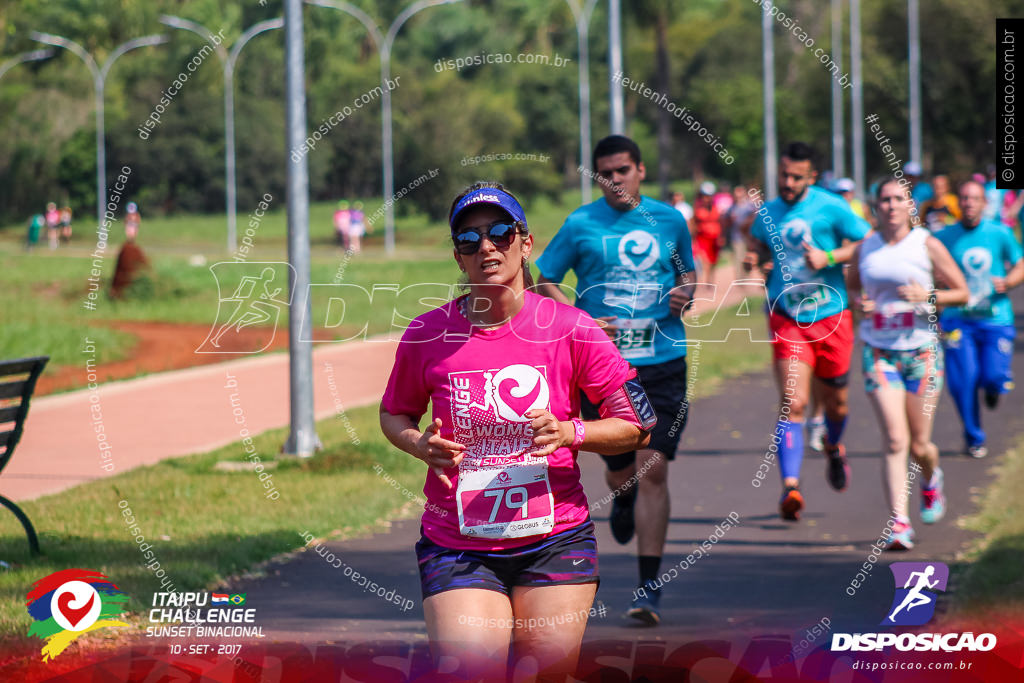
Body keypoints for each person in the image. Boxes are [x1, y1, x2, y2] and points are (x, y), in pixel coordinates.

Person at [380, 182, 655, 679]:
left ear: (525, 244)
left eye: (500, 232)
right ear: (458, 257)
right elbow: (394, 414)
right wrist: (416, 444)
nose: (486, 246)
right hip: (457, 543)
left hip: (556, 539)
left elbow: (638, 426)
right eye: (469, 239)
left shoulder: (573, 328)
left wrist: (572, 432)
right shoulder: (427, 335)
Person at [534, 135, 696, 625]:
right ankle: (620, 496)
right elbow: (544, 277)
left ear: (640, 170)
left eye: (622, 169)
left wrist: (684, 294)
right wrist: (573, 318)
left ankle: (649, 588)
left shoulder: (669, 219)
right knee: (621, 470)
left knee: (655, 467)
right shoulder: (580, 223)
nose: (614, 179)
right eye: (604, 172)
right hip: (601, 368)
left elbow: (688, 274)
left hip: (662, 359)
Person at [745, 141, 871, 521]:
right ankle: (791, 488)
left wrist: (830, 257)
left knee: (837, 404)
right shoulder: (767, 211)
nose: (787, 182)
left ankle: (834, 447)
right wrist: (755, 259)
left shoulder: (831, 206)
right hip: (787, 314)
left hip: (832, 315)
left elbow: (867, 240)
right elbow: (756, 243)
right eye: (783, 174)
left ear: (811, 177)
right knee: (794, 401)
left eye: (795, 177)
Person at [846, 177, 968, 550]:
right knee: (895, 439)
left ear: (910, 206)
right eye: (885, 199)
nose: (892, 206)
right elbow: (851, 286)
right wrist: (859, 304)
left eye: (899, 199)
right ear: (875, 206)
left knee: (920, 446)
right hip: (878, 352)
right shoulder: (865, 247)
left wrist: (927, 295)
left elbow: (962, 292)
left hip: (922, 352)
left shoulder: (926, 244)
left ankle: (931, 480)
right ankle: (899, 523)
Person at [935, 180, 1024, 459]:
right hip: (957, 322)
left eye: (974, 199)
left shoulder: (999, 233)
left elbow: (1020, 264)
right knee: (963, 382)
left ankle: (994, 387)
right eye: (963, 198)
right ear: (957, 202)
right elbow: (930, 274)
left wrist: (1008, 282)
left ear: (984, 204)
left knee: (994, 376)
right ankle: (973, 437)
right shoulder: (943, 237)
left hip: (995, 319)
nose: (969, 203)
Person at [692, 181, 724, 287]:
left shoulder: (716, 209)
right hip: (702, 239)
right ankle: (705, 281)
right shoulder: (697, 209)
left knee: (713, 261)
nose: (707, 199)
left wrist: (721, 237)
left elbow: (721, 223)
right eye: (705, 196)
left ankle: (710, 280)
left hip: (715, 239)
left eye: (709, 196)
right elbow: (694, 224)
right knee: (704, 261)